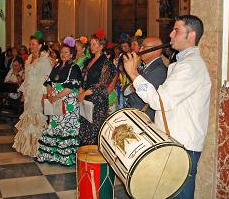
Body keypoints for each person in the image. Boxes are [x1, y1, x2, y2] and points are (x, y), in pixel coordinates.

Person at [123, 15, 211, 199]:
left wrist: (133, 73)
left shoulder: (190, 66)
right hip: (175, 142)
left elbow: (159, 102)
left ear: (191, 35)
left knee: (179, 195)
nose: (170, 34)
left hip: (183, 145)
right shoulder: (182, 64)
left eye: (176, 30)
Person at [36, 43, 82, 166]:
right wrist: (50, 95)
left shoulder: (75, 68)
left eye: (66, 52)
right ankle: (52, 156)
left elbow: (71, 87)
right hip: (55, 102)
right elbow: (49, 82)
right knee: (54, 126)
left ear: (71, 54)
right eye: (62, 52)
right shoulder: (56, 66)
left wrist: (56, 96)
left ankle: (66, 158)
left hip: (68, 105)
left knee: (66, 128)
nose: (63, 54)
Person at [13, 34, 53, 157]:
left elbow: (48, 79)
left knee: (37, 119)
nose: (31, 46)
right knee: (28, 118)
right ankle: (27, 146)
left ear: (40, 46)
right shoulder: (29, 59)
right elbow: (27, 77)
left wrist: (44, 95)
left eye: (34, 44)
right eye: (30, 44)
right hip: (29, 94)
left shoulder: (45, 60)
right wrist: (24, 92)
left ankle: (38, 147)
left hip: (39, 93)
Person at [78, 33, 116, 145]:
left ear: (101, 46)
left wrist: (84, 93)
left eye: (94, 44)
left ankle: (94, 160)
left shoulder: (106, 63)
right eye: (91, 44)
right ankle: (84, 157)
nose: (91, 47)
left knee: (95, 129)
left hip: (97, 100)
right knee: (85, 127)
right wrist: (81, 90)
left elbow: (101, 84)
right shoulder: (87, 61)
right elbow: (82, 77)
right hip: (86, 97)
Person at [125, 37, 167, 122]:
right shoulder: (145, 66)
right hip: (137, 113)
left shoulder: (159, 69)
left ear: (156, 50)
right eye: (140, 47)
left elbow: (141, 97)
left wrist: (134, 85)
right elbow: (129, 88)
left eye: (144, 47)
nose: (140, 49)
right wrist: (132, 88)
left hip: (145, 118)